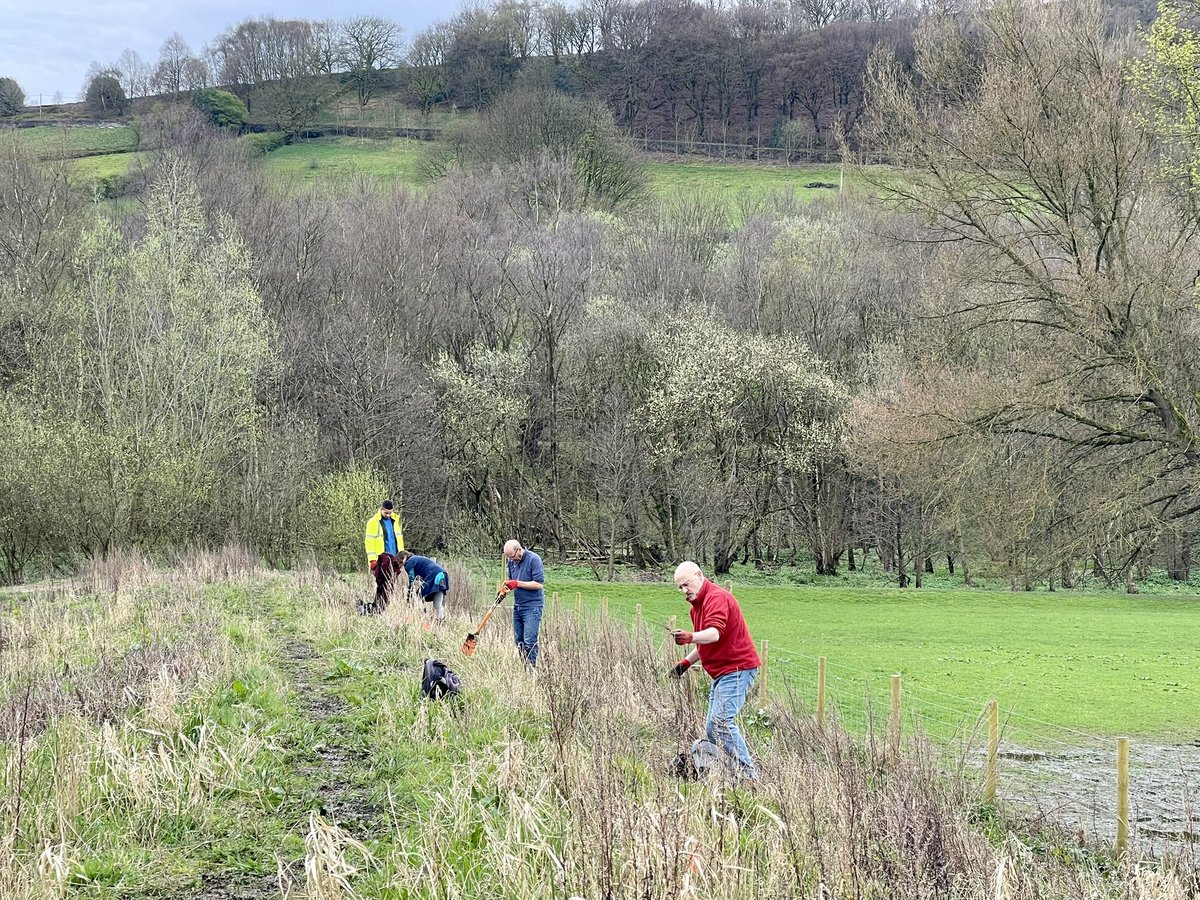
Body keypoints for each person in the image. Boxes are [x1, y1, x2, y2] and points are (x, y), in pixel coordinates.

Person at [669, 560, 761, 780]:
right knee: (713, 728)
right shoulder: (696, 608)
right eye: (680, 587)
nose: (684, 591)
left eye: (686, 584)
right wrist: (685, 663)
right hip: (721, 673)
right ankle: (730, 772)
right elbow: (706, 644)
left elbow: (714, 634)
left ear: (699, 576)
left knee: (720, 722)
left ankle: (748, 776)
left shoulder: (717, 598)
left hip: (738, 668)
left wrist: (689, 637)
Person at [503, 539, 545, 666]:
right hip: (518, 605)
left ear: (519, 550)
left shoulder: (534, 559)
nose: (512, 560)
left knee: (529, 641)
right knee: (519, 641)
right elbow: (512, 581)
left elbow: (538, 584)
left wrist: (517, 583)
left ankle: (531, 669)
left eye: (513, 557)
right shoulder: (511, 562)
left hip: (532, 606)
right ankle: (524, 666)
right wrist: (505, 589)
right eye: (509, 558)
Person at [363, 499, 404, 613]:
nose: (388, 515)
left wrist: (401, 557)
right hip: (381, 560)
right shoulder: (373, 522)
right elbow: (369, 542)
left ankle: (383, 608)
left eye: (390, 512)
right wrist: (372, 560)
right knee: (381, 585)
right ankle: (378, 608)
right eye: (386, 513)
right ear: (381, 510)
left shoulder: (395, 521)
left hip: (395, 559)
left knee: (390, 585)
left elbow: (399, 540)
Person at [398, 551, 450, 624]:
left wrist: (409, 595)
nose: (402, 565)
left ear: (405, 557)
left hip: (433, 575)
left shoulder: (409, 563)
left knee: (418, 595)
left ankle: (423, 616)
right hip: (442, 574)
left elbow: (411, 580)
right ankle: (441, 621)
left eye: (401, 562)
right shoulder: (417, 558)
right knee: (437, 603)